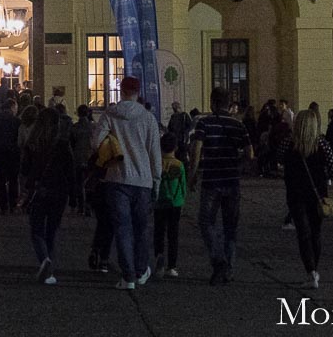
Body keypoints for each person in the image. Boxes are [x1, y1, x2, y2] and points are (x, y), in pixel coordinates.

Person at [97, 75, 162, 290]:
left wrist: (111, 142)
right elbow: (155, 152)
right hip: (143, 180)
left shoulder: (110, 114)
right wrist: (157, 179)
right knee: (141, 228)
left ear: (121, 91)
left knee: (122, 229)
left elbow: (95, 141)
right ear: (138, 92)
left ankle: (128, 277)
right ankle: (141, 269)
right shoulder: (148, 118)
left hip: (117, 178)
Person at [189, 86, 249, 285]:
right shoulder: (238, 125)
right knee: (230, 227)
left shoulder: (204, 123)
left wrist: (193, 175)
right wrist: (238, 166)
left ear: (212, 103)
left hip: (212, 181)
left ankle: (218, 260)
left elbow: (196, 151)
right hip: (232, 181)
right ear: (228, 104)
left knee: (206, 222)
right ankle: (228, 270)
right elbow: (250, 153)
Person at [281, 107, 333, 290]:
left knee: (303, 234)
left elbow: (278, 159)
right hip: (317, 195)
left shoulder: (289, 144)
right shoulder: (322, 144)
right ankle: (314, 270)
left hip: (295, 194)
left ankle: (311, 272)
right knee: (315, 233)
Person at [22, 105, 75, 284]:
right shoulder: (62, 144)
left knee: (37, 230)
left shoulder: (32, 143)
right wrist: (74, 193)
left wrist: (26, 188)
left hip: (39, 190)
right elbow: (70, 170)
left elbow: (24, 170)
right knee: (51, 230)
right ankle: (49, 270)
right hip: (59, 192)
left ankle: (45, 260)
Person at [151, 133, 187, 278]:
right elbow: (182, 185)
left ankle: (159, 260)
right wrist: (182, 200)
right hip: (175, 203)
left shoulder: (156, 164)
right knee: (173, 234)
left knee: (158, 232)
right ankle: (172, 266)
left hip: (159, 203)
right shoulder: (179, 165)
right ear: (176, 147)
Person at [0, 97, 23, 214]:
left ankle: (3, 206)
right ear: (12, 107)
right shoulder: (16, 121)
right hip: (13, 153)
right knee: (13, 179)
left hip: (0, 153)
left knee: (1, 180)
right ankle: (12, 204)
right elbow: (20, 139)